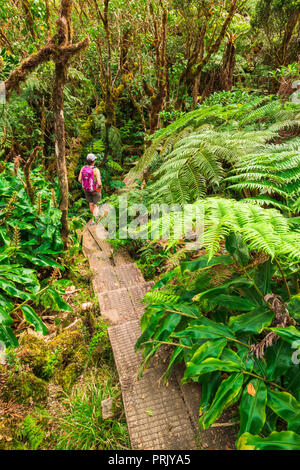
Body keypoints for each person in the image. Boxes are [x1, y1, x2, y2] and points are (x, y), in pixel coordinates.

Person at [78, 154, 102, 224]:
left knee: (91, 204)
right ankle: (94, 220)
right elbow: (99, 183)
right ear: (93, 161)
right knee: (96, 205)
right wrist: (99, 187)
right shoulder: (96, 170)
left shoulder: (83, 168)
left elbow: (79, 179)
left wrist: (86, 185)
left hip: (86, 189)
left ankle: (93, 217)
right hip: (95, 189)